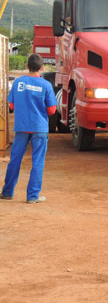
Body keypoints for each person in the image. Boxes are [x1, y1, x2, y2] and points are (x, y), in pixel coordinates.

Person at [0, 54, 57, 203]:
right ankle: (32, 196)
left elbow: (11, 105)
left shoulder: (18, 82)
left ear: (27, 66)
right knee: (38, 161)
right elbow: (52, 109)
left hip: (21, 126)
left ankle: (7, 192)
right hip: (39, 127)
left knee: (15, 160)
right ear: (42, 67)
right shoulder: (46, 85)